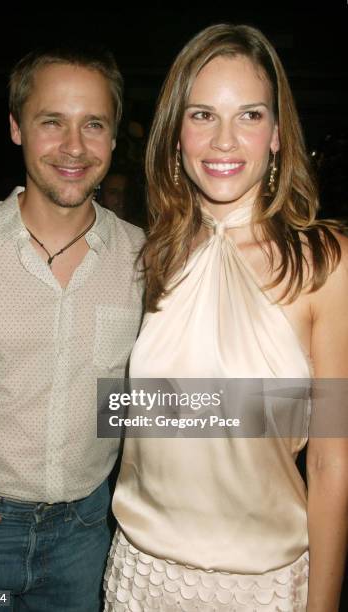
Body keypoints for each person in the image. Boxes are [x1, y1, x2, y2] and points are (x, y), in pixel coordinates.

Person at [104, 24, 348, 611]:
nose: (224, 140)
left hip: (262, 582)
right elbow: (139, 414)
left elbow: (332, 455)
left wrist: (323, 606)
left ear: (276, 137)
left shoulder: (326, 260)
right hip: (141, 571)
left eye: (250, 115)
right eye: (203, 115)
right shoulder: (152, 254)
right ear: (176, 134)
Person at [0, 46, 144, 611]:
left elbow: (150, 399)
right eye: (52, 121)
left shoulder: (146, 260)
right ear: (16, 128)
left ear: (111, 137)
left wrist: (301, 412)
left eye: (93, 124)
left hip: (87, 534)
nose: (74, 146)